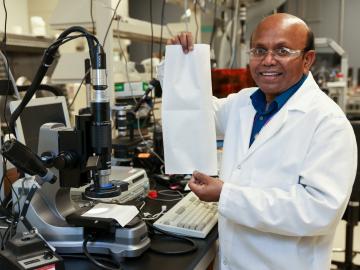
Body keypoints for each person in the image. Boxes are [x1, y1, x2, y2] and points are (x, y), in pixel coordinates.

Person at [166, 13, 357, 270]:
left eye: (283, 50)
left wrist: (226, 195)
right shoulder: (244, 102)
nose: (268, 60)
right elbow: (196, 115)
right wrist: (179, 64)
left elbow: (318, 211)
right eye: (259, 50)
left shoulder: (328, 123)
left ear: (307, 60)